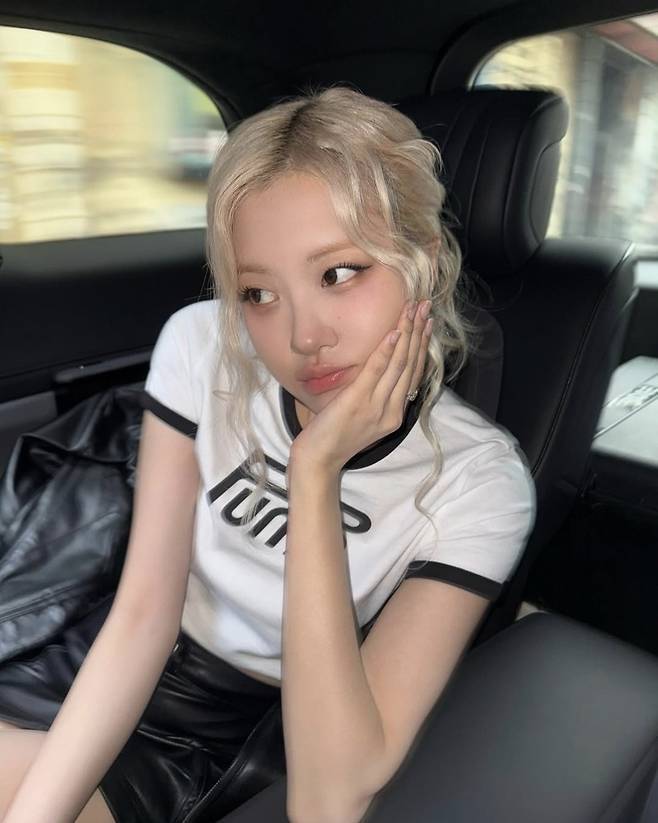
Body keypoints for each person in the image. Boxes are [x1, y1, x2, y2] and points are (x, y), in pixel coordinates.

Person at [0, 83, 536, 823]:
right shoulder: (201, 344)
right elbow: (144, 611)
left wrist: (315, 472)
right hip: (112, 652)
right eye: (259, 293)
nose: (303, 336)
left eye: (339, 273)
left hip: (240, 730)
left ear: (426, 258)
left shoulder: (480, 483)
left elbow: (326, 799)